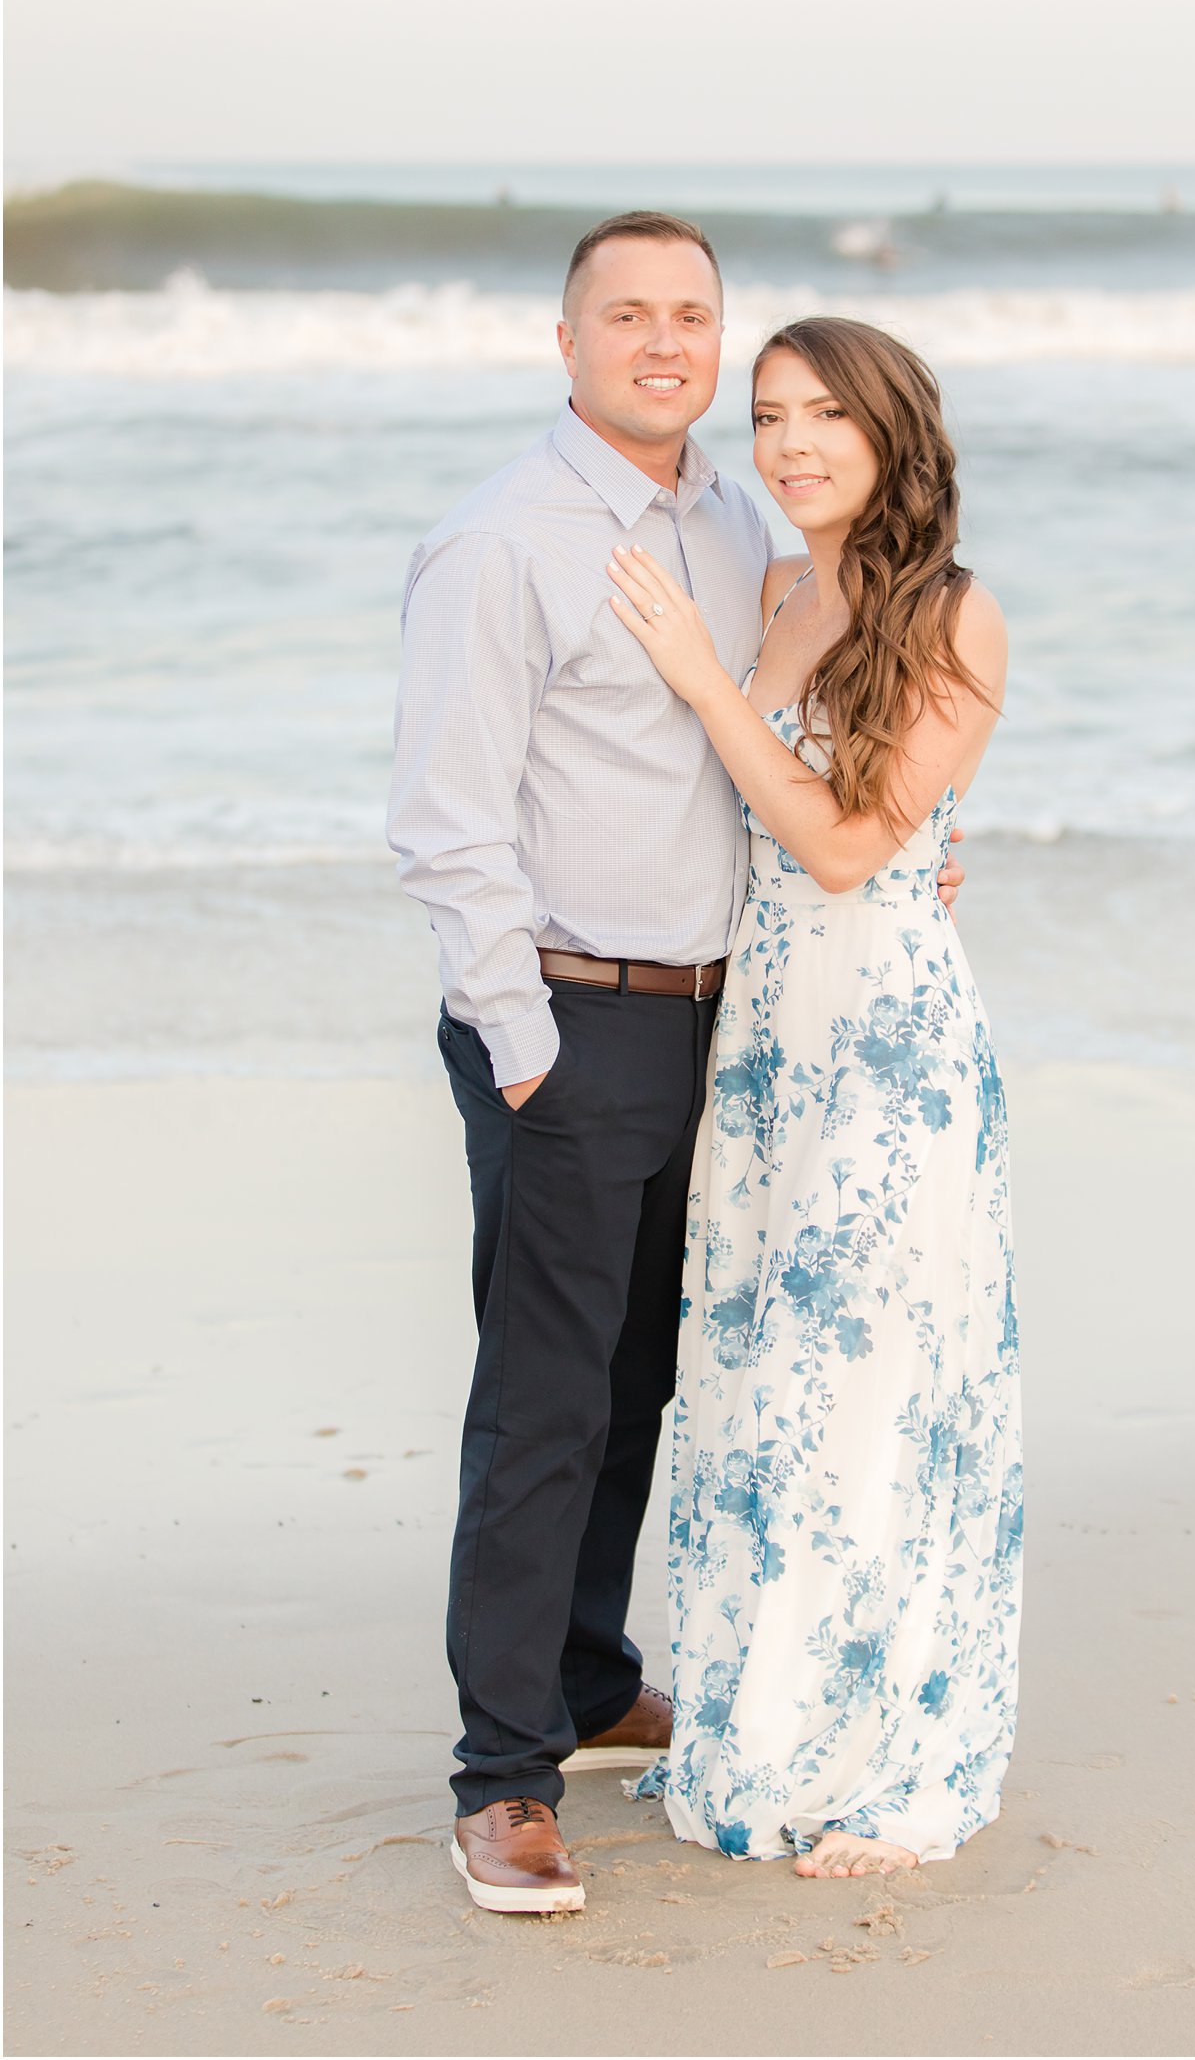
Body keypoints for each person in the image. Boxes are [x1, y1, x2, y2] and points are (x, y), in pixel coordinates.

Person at [386, 216, 965, 1914]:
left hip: (731, 1014)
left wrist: (917, 834)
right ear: (563, 341)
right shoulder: (504, 542)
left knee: (643, 1375)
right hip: (571, 1022)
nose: (664, 341)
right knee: (547, 1394)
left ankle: (581, 1676)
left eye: (691, 315)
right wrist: (521, 1049)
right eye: (625, 315)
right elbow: (443, 818)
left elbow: (790, 740)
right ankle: (501, 1775)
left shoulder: (736, 515)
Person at [608, 315, 1022, 1877]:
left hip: (891, 1057)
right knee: (757, 1382)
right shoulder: (775, 588)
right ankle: (769, 1729)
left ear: (893, 425)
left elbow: (849, 845)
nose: (787, 442)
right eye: (769, 413)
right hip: (768, 1046)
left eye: (823, 413)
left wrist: (705, 687)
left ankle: (893, 1770)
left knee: (878, 1391)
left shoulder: (959, 613)